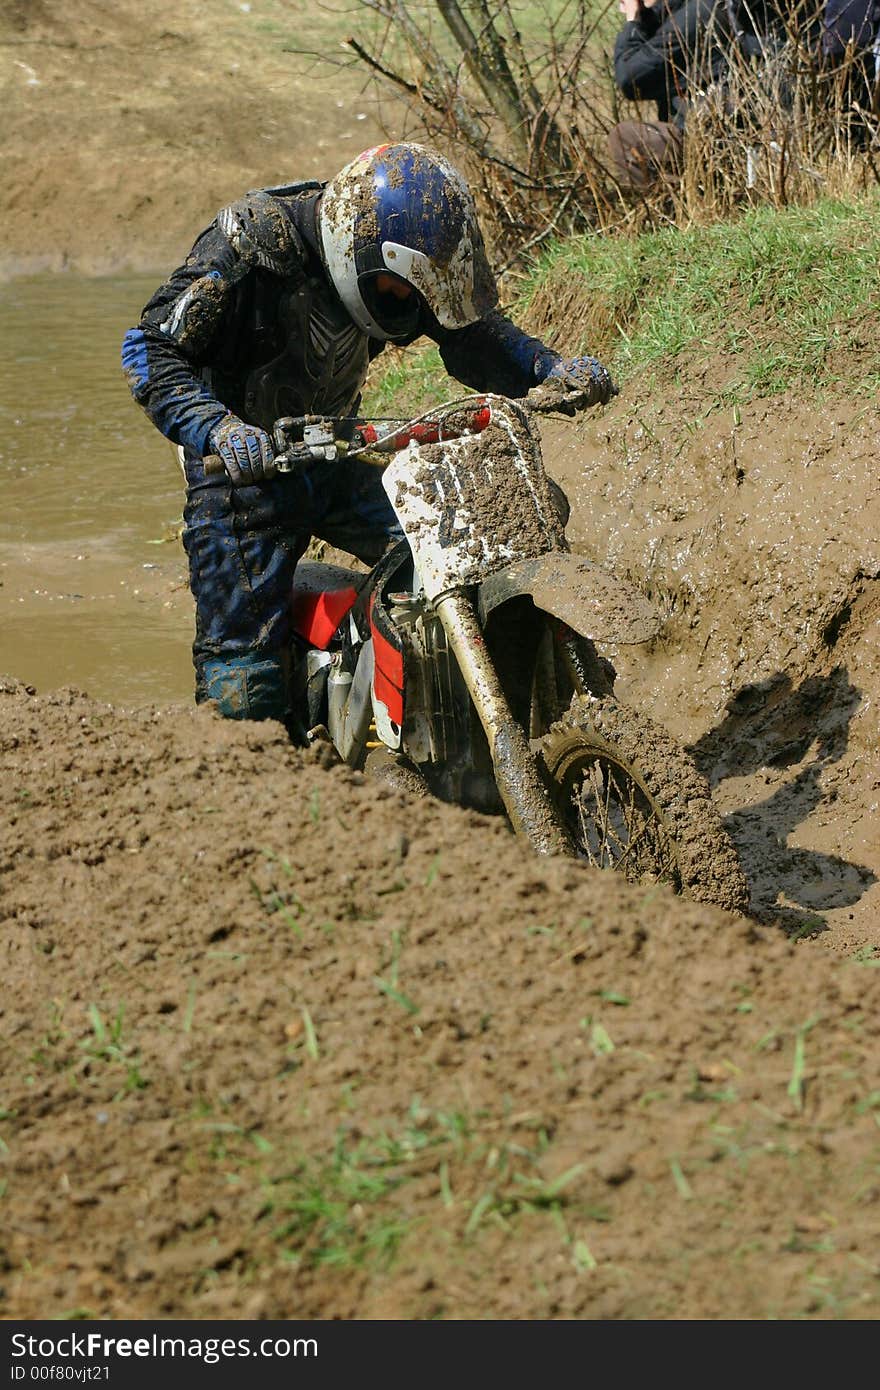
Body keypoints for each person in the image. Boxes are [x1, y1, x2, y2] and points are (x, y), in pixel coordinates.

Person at [122, 142, 615, 729]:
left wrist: (545, 367)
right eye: (403, 295)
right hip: (237, 481)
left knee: (456, 556)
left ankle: (450, 724)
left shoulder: (391, 263)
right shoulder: (249, 244)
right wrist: (219, 428)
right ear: (359, 260)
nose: (409, 306)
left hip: (335, 456)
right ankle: (253, 791)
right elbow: (149, 349)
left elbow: (469, 333)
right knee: (244, 691)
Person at [609, 0, 731, 191]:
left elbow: (630, 79)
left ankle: (665, 213)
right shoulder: (689, 9)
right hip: (710, 131)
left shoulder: (693, 16)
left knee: (625, 136)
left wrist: (633, 21)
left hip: (713, 138)